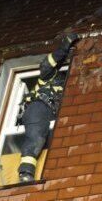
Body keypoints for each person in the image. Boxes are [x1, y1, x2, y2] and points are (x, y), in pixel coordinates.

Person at [16, 30, 80, 182]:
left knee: (45, 140)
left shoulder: (67, 91)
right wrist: (64, 48)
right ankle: (25, 174)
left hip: (48, 113)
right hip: (38, 108)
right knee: (36, 138)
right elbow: (46, 64)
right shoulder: (51, 76)